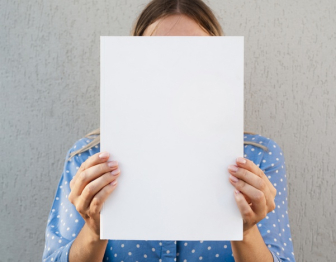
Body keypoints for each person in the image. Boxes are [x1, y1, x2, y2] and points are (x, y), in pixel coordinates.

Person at [42, 0, 295, 261]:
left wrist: (246, 231)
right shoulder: (88, 159)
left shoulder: (259, 159)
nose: (177, 72)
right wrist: (94, 232)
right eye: (158, 56)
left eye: (195, 57)